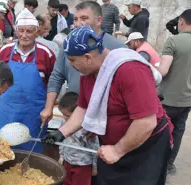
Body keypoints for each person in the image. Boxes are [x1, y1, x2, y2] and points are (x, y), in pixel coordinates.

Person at [42, 25, 172, 185]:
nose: (72, 65)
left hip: (144, 146)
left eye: (72, 60)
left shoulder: (131, 71)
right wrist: (62, 132)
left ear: (88, 57)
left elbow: (146, 122)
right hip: (112, 146)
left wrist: (118, 150)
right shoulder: (87, 74)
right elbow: (83, 107)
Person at [40, 1, 126, 124]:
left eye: (84, 18)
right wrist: (48, 107)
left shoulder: (117, 48)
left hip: (104, 120)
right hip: (71, 114)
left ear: (99, 20)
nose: (79, 24)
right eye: (75, 19)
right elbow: (57, 76)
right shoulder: (69, 44)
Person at [0, 8, 56, 154]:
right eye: (21, 31)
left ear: (37, 32)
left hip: (33, 114)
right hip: (6, 110)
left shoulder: (47, 54)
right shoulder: (5, 51)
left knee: (31, 153)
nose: (25, 35)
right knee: (2, 150)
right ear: (16, 31)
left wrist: (49, 107)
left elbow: (54, 82)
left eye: (29, 31)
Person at [156, 9, 191, 175]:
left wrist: (151, 69)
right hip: (187, 100)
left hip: (167, 99)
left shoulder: (173, 41)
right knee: (178, 131)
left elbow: (162, 71)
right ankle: (169, 165)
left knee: (159, 131)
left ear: (181, 22)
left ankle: (155, 164)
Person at [58, 92, 99, 185]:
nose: (64, 118)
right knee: (66, 182)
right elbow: (62, 141)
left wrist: (95, 166)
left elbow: (95, 148)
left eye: (67, 115)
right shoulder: (64, 123)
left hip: (83, 165)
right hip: (67, 162)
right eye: (63, 114)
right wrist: (62, 156)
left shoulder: (88, 130)